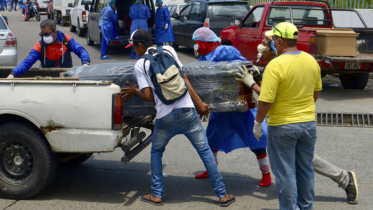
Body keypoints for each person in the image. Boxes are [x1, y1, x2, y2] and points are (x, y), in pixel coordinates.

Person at [121, 29, 235, 207]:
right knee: (205, 152)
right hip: (187, 111)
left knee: (157, 152)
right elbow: (184, 78)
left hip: (165, 117)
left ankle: (157, 194)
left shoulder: (140, 65)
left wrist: (135, 91)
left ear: (141, 45)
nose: (134, 50)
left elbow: (148, 96)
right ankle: (222, 195)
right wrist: (199, 103)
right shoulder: (169, 50)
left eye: (134, 47)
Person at [256, 37, 358, 205]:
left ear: (277, 44)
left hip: (285, 124)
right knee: (305, 166)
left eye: (266, 46)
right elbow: (309, 93)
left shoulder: (276, 65)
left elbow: (269, 98)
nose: (261, 49)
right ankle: (343, 179)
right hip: (305, 122)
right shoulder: (305, 59)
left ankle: (343, 177)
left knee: (289, 170)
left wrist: (257, 119)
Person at [192, 27, 272, 187]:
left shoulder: (223, 50)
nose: (195, 46)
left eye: (197, 42)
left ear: (205, 42)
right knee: (212, 137)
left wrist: (253, 76)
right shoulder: (203, 57)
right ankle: (211, 169)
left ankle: (266, 174)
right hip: (220, 106)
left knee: (255, 138)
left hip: (239, 104)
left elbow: (244, 64)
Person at [254, 22, 321, 210]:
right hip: (308, 124)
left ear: (280, 41)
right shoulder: (311, 61)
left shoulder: (275, 65)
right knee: (305, 170)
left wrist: (258, 122)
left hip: (282, 126)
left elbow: (266, 100)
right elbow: (314, 94)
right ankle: (306, 207)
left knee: (285, 173)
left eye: (273, 39)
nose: (271, 43)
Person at [6, 19, 90, 78]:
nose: (44, 37)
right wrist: (13, 74)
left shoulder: (66, 39)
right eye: (42, 34)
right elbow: (27, 61)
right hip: (47, 78)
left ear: (55, 32)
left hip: (66, 76)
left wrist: (85, 63)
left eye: (47, 34)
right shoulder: (40, 45)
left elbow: (81, 50)